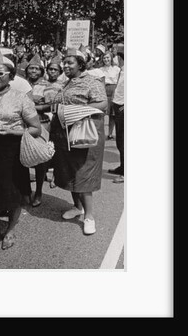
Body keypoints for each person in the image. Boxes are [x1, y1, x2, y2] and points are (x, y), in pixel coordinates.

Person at [0, 52, 42, 250]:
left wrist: (14, 131)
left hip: (11, 150)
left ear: (11, 77)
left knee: (12, 192)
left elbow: (36, 129)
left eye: (1, 74)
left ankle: (11, 230)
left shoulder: (20, 98)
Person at [49, 49, 107, 235]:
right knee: (69, 171)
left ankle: (89, 216)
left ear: (80, 64)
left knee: (83, 174)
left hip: (84, 134)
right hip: (65, 135)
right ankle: (77, 207)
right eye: (64, 63)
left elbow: (102, 104)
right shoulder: (66, 83)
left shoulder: (92, 82)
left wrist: (76, 110)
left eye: (70, 63)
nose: (65, 66)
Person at [24, 57, 52, 207]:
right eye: (31, 68)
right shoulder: (22, 84)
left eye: (37, 68)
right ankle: (26, 191)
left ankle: (39, 192)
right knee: (23, 158)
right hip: (23, 125)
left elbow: (50, 106)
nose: (33, 71)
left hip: (42, 124)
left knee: (40, 160)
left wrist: (31, 108)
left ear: (41, 71)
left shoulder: (46, 85)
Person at [99, 51, 120, 140]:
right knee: (103, 113)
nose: (106, 59)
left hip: (114, 91)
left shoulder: (116, 69)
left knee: (113, 115)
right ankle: (101, 133)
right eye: (104, 58)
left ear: (111, 58)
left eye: (108, 57)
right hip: (104, 90)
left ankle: (110, 133)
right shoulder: (100, 69)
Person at [109, 60, 124, 183]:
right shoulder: (122, 69)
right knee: (120, 140)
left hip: (123, 107)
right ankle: (123, 167)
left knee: (125, 141)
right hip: (118, 105)